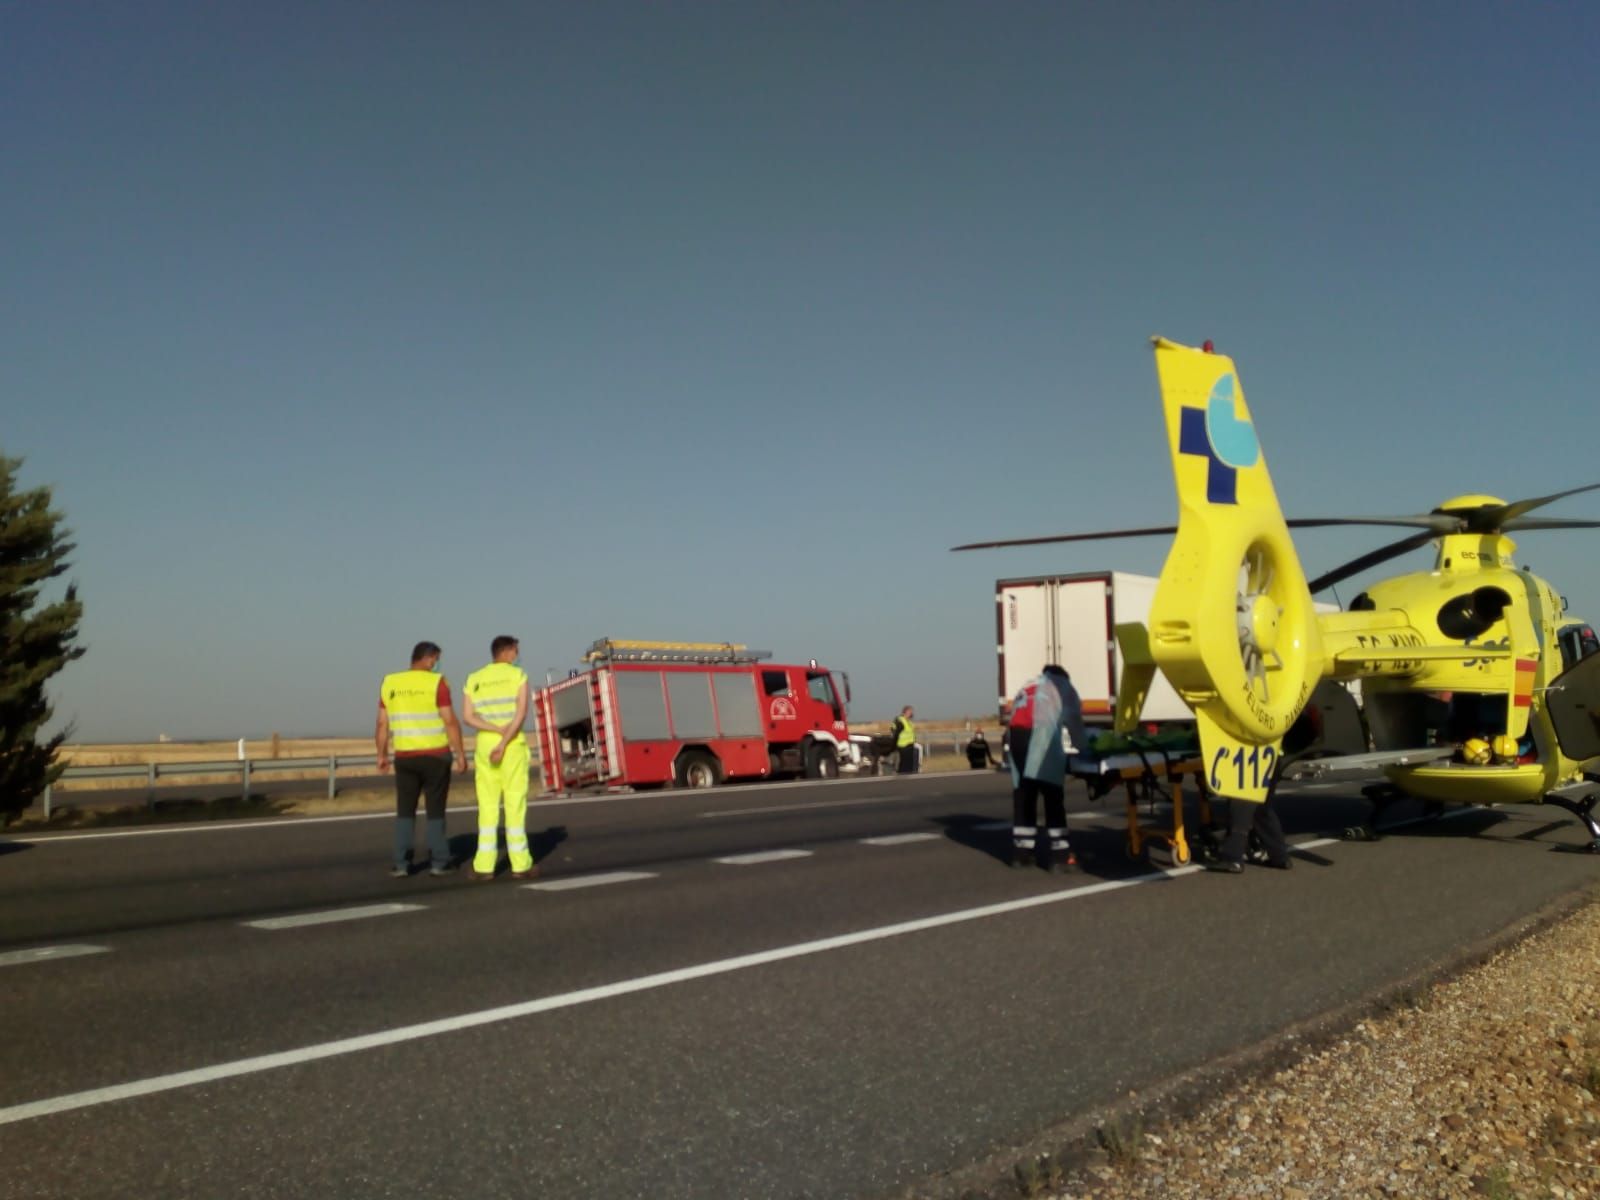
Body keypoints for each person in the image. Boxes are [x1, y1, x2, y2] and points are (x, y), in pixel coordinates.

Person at [376, 641, 467, 877]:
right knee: (435, 810)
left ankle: (401, 863)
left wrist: (381, 755)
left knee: (405, 811)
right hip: (435, 755)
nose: (436, 664)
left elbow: (382, 723)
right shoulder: (436, 682)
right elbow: (449, 720)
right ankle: (439, 861)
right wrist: (460, 755)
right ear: (428, 659)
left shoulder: (390, 682)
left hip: (405, 757)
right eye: (436, 660)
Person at [1206, 700, 1319, 874]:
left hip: (1250, 753)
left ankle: (1232, 857)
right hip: (1272, 755)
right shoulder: (1272, 696)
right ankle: (1280, 856)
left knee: (1241, 803)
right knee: (1262, 809)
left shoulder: (1246, 697)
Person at [461, 635, 536, 882]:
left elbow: (468, 717)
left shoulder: (474, 678)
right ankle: (520, 865)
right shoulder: (518, 675)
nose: (517, 655)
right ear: (508, 651)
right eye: (516, 650)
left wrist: (492, 730)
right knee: (515, 804)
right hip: (512, 744)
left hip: (485, 744)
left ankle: (484, 866)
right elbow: (521, 712)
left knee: (487, 806)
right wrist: (504, 739)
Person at [1006, 665, 1088, 872]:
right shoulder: (1062, 685)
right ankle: (1060, 856)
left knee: (1025, 794)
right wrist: (1085, 750)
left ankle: (1021, 854)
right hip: (1040, 735)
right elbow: (1074, 722)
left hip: (1015, 737)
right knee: (1052, 794)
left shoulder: (1029, 684)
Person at [891, 705, 918, 774]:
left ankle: (908, 776)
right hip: (903, 745)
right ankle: (901, 776)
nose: (911, 713)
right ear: (905, 712)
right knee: (904, 763)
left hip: (910, 744)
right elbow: (894, 731)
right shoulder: (900, 720)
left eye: (911, 712)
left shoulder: (909, 721)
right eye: (910, 712)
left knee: (909, 763)